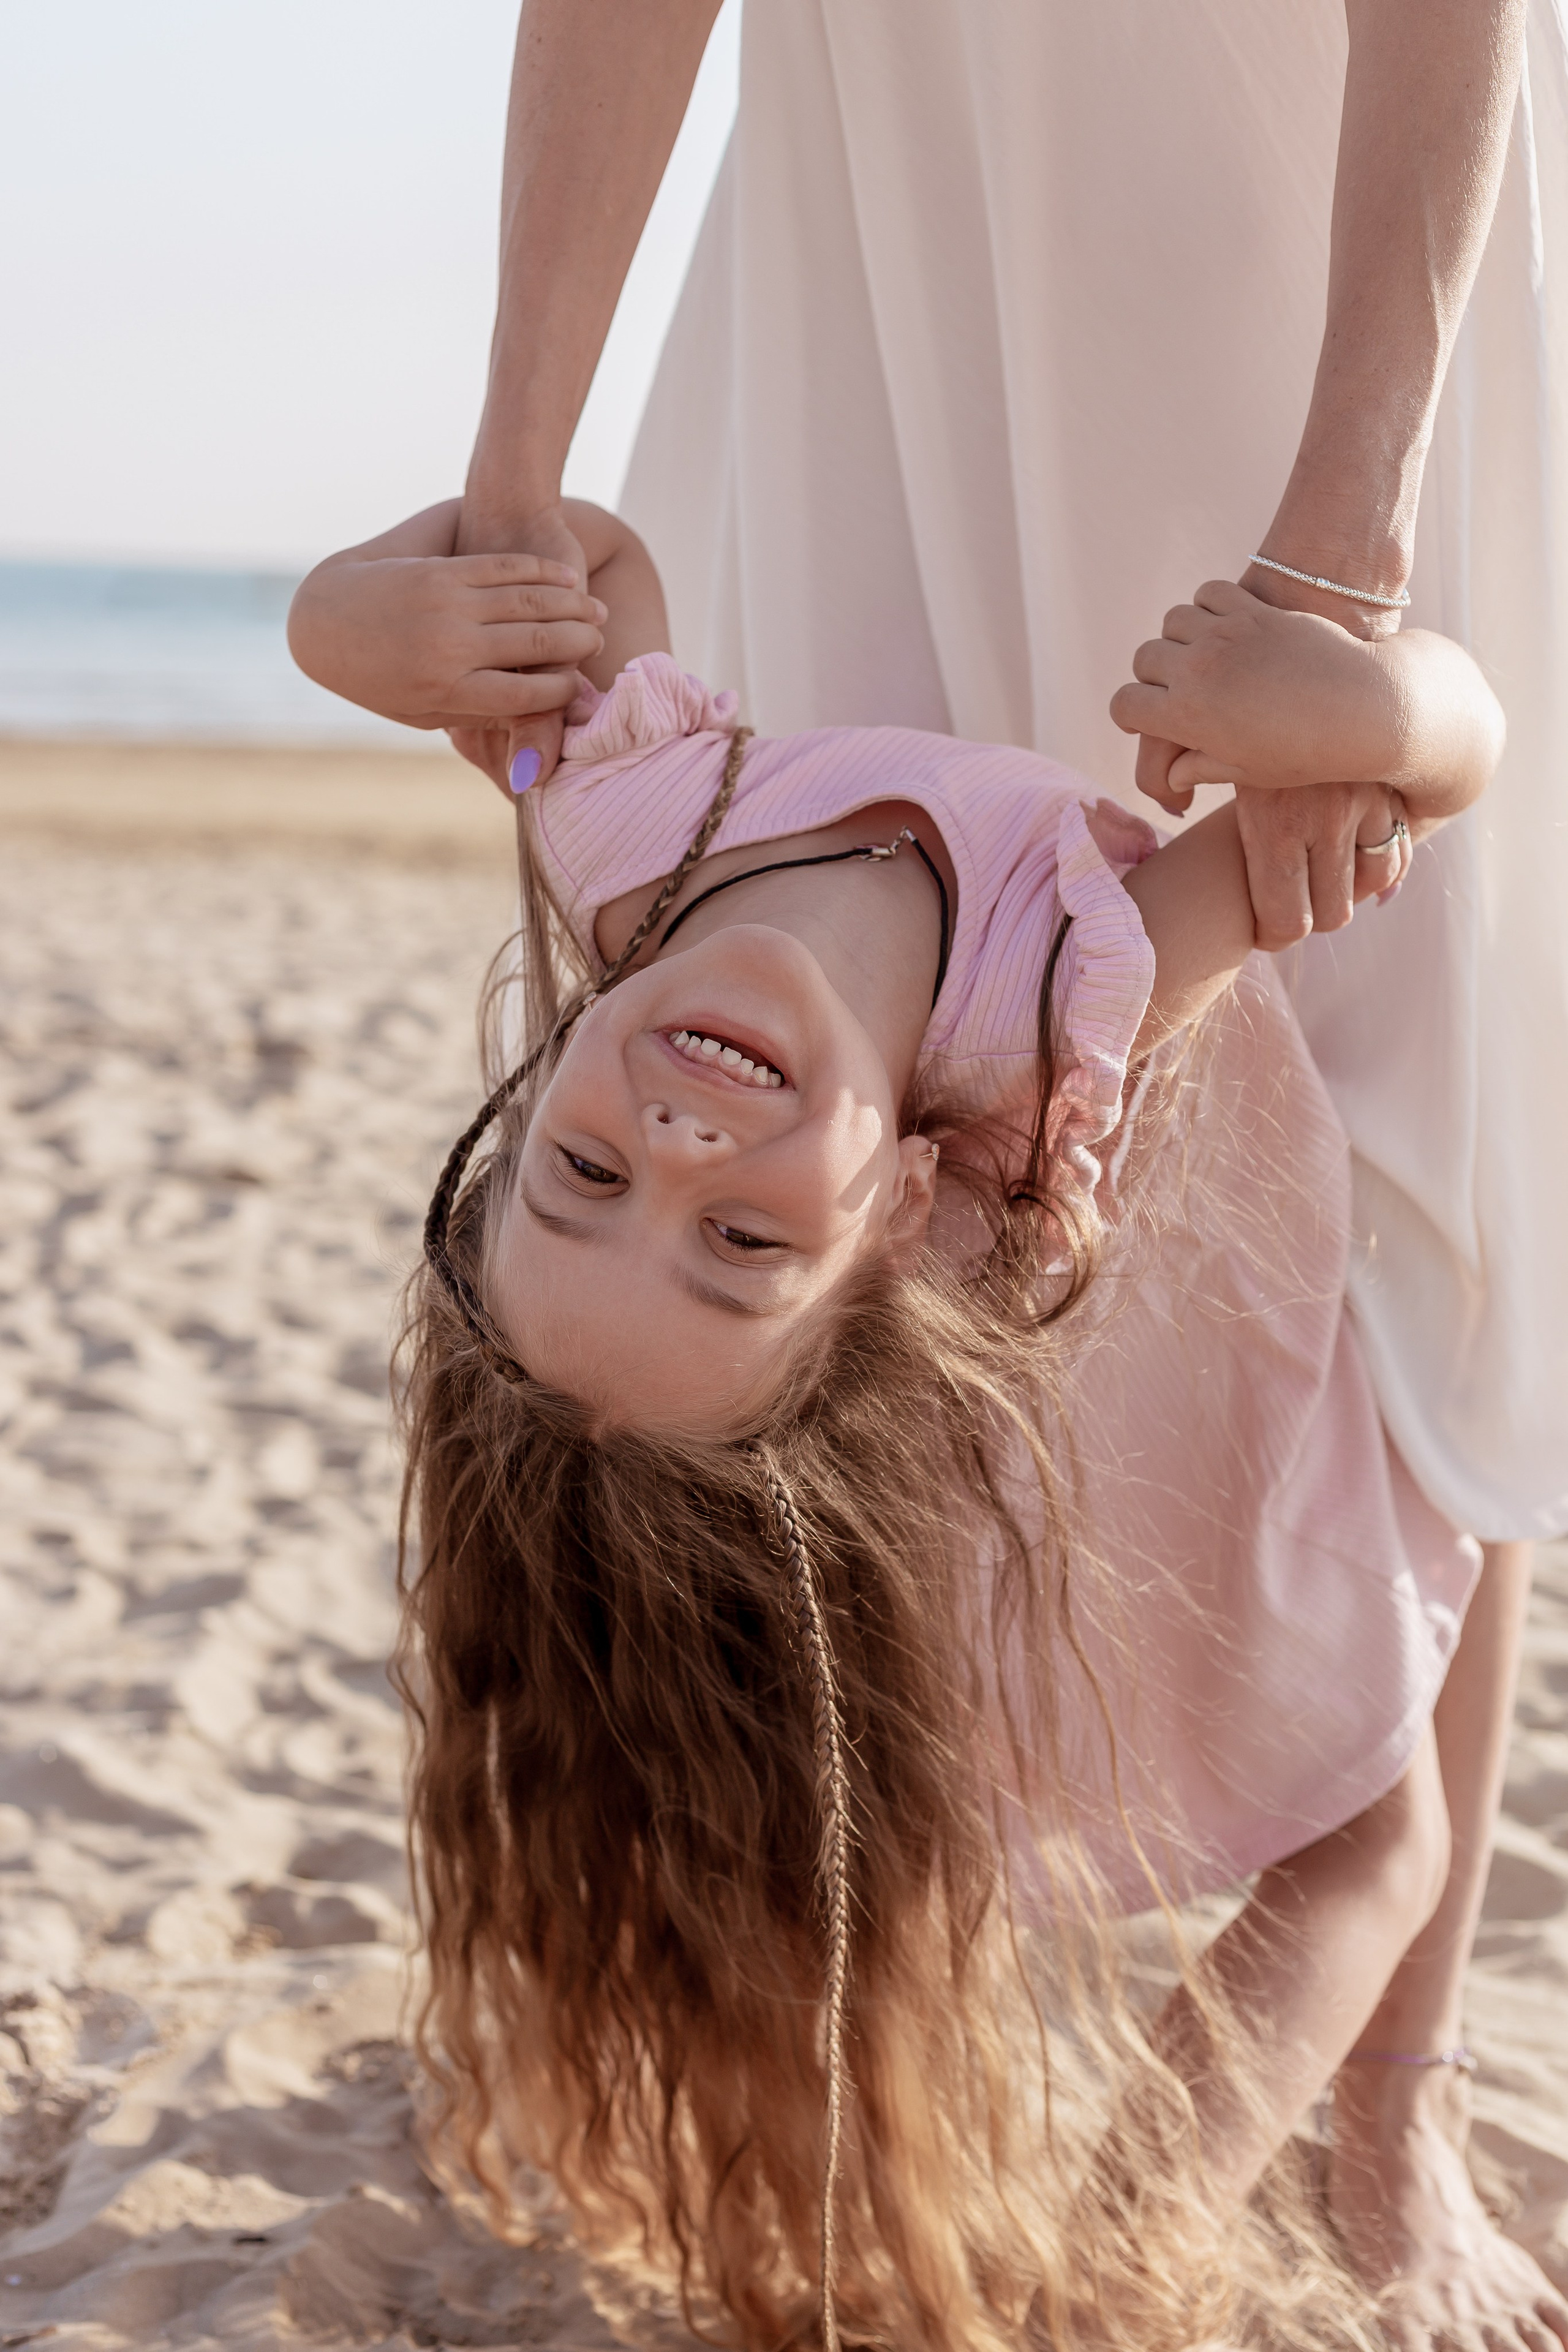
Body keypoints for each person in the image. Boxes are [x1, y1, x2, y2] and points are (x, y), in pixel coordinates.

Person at [296, 9, 1568, 2338]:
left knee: (1403, 1260)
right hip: (919, 158)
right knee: (1408, 1235)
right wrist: (1365, 682)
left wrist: (419, 572)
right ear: (894, 1214)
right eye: (740, 1230)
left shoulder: (636, 848)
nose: (673, 1142)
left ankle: (1354, 2100)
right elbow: (1404, 800)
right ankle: (1160, 2163)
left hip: (1271, 158)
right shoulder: (1054, 1000)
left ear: (537, 1075)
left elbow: (517, 583)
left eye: (583, 1174)